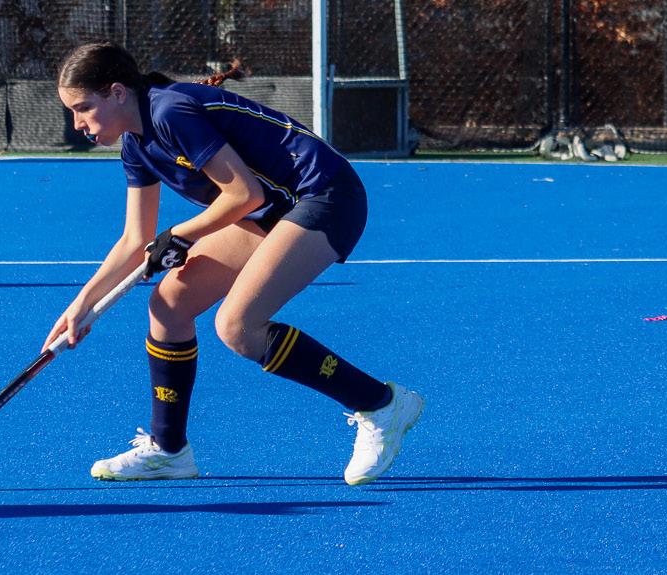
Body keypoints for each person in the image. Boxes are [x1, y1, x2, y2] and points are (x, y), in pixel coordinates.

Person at [43, 42, 423, 486]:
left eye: (83, 108)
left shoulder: (169, 112)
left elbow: (244, 194)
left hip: (325, 196)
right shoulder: (135, 145)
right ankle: (169, 451)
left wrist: (182, 234)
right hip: (273, 210)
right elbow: (134, 240)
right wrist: (83, 306)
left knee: (238, 326)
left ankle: (381, 405)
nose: (78, 124)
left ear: (117, 92)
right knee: (169, 305)